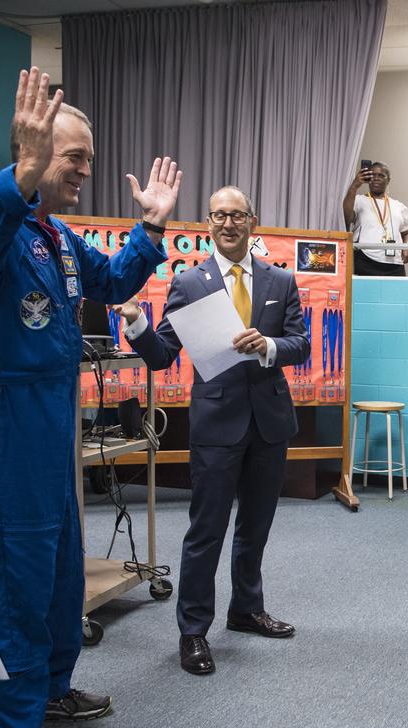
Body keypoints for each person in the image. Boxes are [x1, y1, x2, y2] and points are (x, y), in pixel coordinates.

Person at [0, 67, 181, 728]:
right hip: (6, 419)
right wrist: (18, 175)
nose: (85, 170)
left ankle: (46, 688)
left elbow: (109, 283)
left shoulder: (55, 236)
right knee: (11, 576)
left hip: (53, 422)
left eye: (88, 160)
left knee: (54, 569)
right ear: (35, 151)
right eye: (74, 156)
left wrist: (152, 227)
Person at [120, 185, 309, 677]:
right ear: (208, 224)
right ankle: (193, 632)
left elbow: (301, 344)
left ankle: (246, 610)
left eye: (237, 215)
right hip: (216, 426)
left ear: (252, 222)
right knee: (206, 531)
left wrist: (268, 344)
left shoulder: (279, 280)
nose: (228, 223)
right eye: (218, 216)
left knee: (255, 526)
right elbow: (162, 355)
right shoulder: (189, 285)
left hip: (269, 423)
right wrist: (138, 325)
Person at [342, 161, 408, 277]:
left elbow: (407, 234)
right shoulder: (359, 200)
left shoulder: (399, 206)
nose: (376, 178)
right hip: (365, 259)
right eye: (373, 175)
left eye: (381, 176)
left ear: (388, 180)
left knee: (396, 295)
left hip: (395, 263)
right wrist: (354, 186)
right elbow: (345, 217)